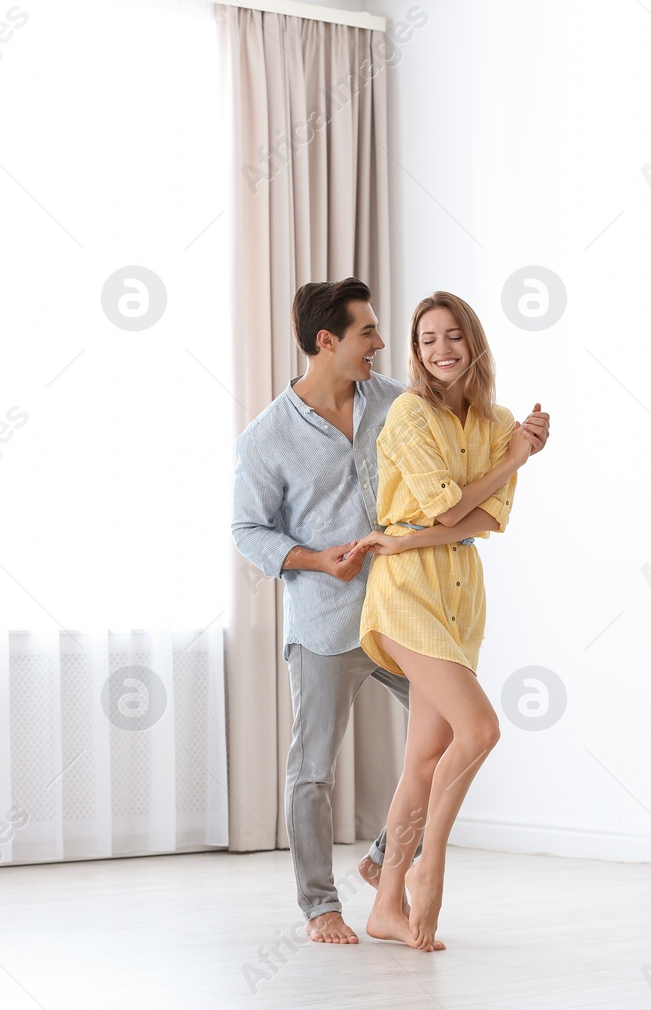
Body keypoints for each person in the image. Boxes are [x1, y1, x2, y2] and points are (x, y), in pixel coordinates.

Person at [231, 278, 549, 945]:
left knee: (438, 747)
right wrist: (319, 561)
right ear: (329, 342)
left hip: (412, 600)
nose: (383, 343)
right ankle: (322, 906)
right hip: (327, 616)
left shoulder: (396, 401)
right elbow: (249, 531)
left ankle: (386, 863)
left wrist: (512, 444)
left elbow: (459, 494)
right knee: (313, 767)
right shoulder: (268, 437)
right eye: (368, 333)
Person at [346, 290, 541, 952]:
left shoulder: (498, 421)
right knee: (480, 727)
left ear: (473, 341)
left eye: (452, 335)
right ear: (416, 350)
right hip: (404, 593)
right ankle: (431, 864)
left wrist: (412, 537)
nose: (441, 350)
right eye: (427, 340)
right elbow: (450, 507)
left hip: (456, 590)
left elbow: (487, 520)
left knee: (425, 758)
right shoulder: (407, 415)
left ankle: (385, 904)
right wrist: (512, 462)